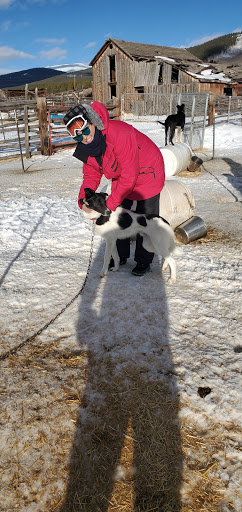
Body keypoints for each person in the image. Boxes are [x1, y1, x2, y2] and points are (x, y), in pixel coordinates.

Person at [63, 102, 165, 276]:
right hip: (122, 176)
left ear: (93, 122)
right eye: (78, 136)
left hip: (148, 173)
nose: (85, 138)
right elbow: (91, 176)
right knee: (120, 217)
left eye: (86, 130)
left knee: (145, 217)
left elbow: (130, 176)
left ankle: (143, 260)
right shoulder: (87, 148)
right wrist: (83, 201)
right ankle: (121, 256)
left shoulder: (119, 134)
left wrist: (109, 204)